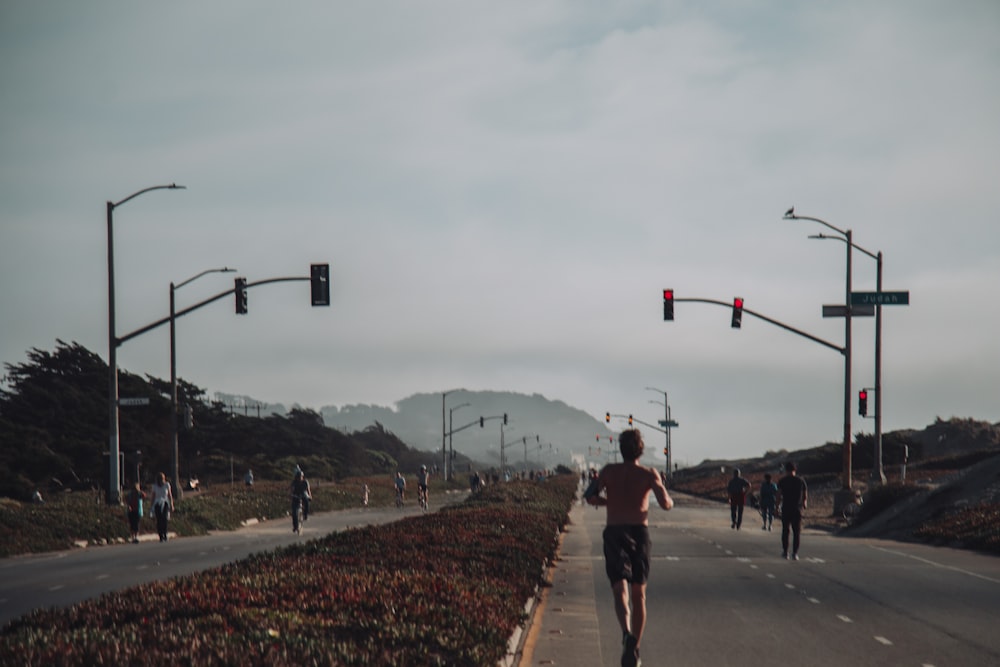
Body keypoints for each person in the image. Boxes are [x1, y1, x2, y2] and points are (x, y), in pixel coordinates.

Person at [584, 429, 673, 667]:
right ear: (641, 450)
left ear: (621, 449)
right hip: (639, 533)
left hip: (614, 532)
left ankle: (625, 633)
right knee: (638, 593)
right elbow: (665, 504)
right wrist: (664, 491)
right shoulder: (648, 474)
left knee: (619, 589)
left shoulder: (608, 472)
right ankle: (635, 645)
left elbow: (589, 496)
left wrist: (608, 502)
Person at [776, 461, 808, 560]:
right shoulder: (801, 481)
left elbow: (778, 495)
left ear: (786, 470)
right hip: (797, 508)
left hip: (786, 507)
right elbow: (805, 494)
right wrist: (804, 503)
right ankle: (795, 553)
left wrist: (777, 507)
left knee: (785, 530)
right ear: (795, 470)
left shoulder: (782, 481)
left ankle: (785, 552)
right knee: (796, 531)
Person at [150, 472, 174, 542]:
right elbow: (153, 496)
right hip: (157, 503)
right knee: (159, 520)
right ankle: (161, 535)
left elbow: (169, 495)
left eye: (162, 478)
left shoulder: (167, 485)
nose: (161, 480)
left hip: (165, 503)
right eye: (160, 479)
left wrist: (172, 504)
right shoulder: (154, 486)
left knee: (164, 519)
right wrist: (151, 506)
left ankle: (165, 534)